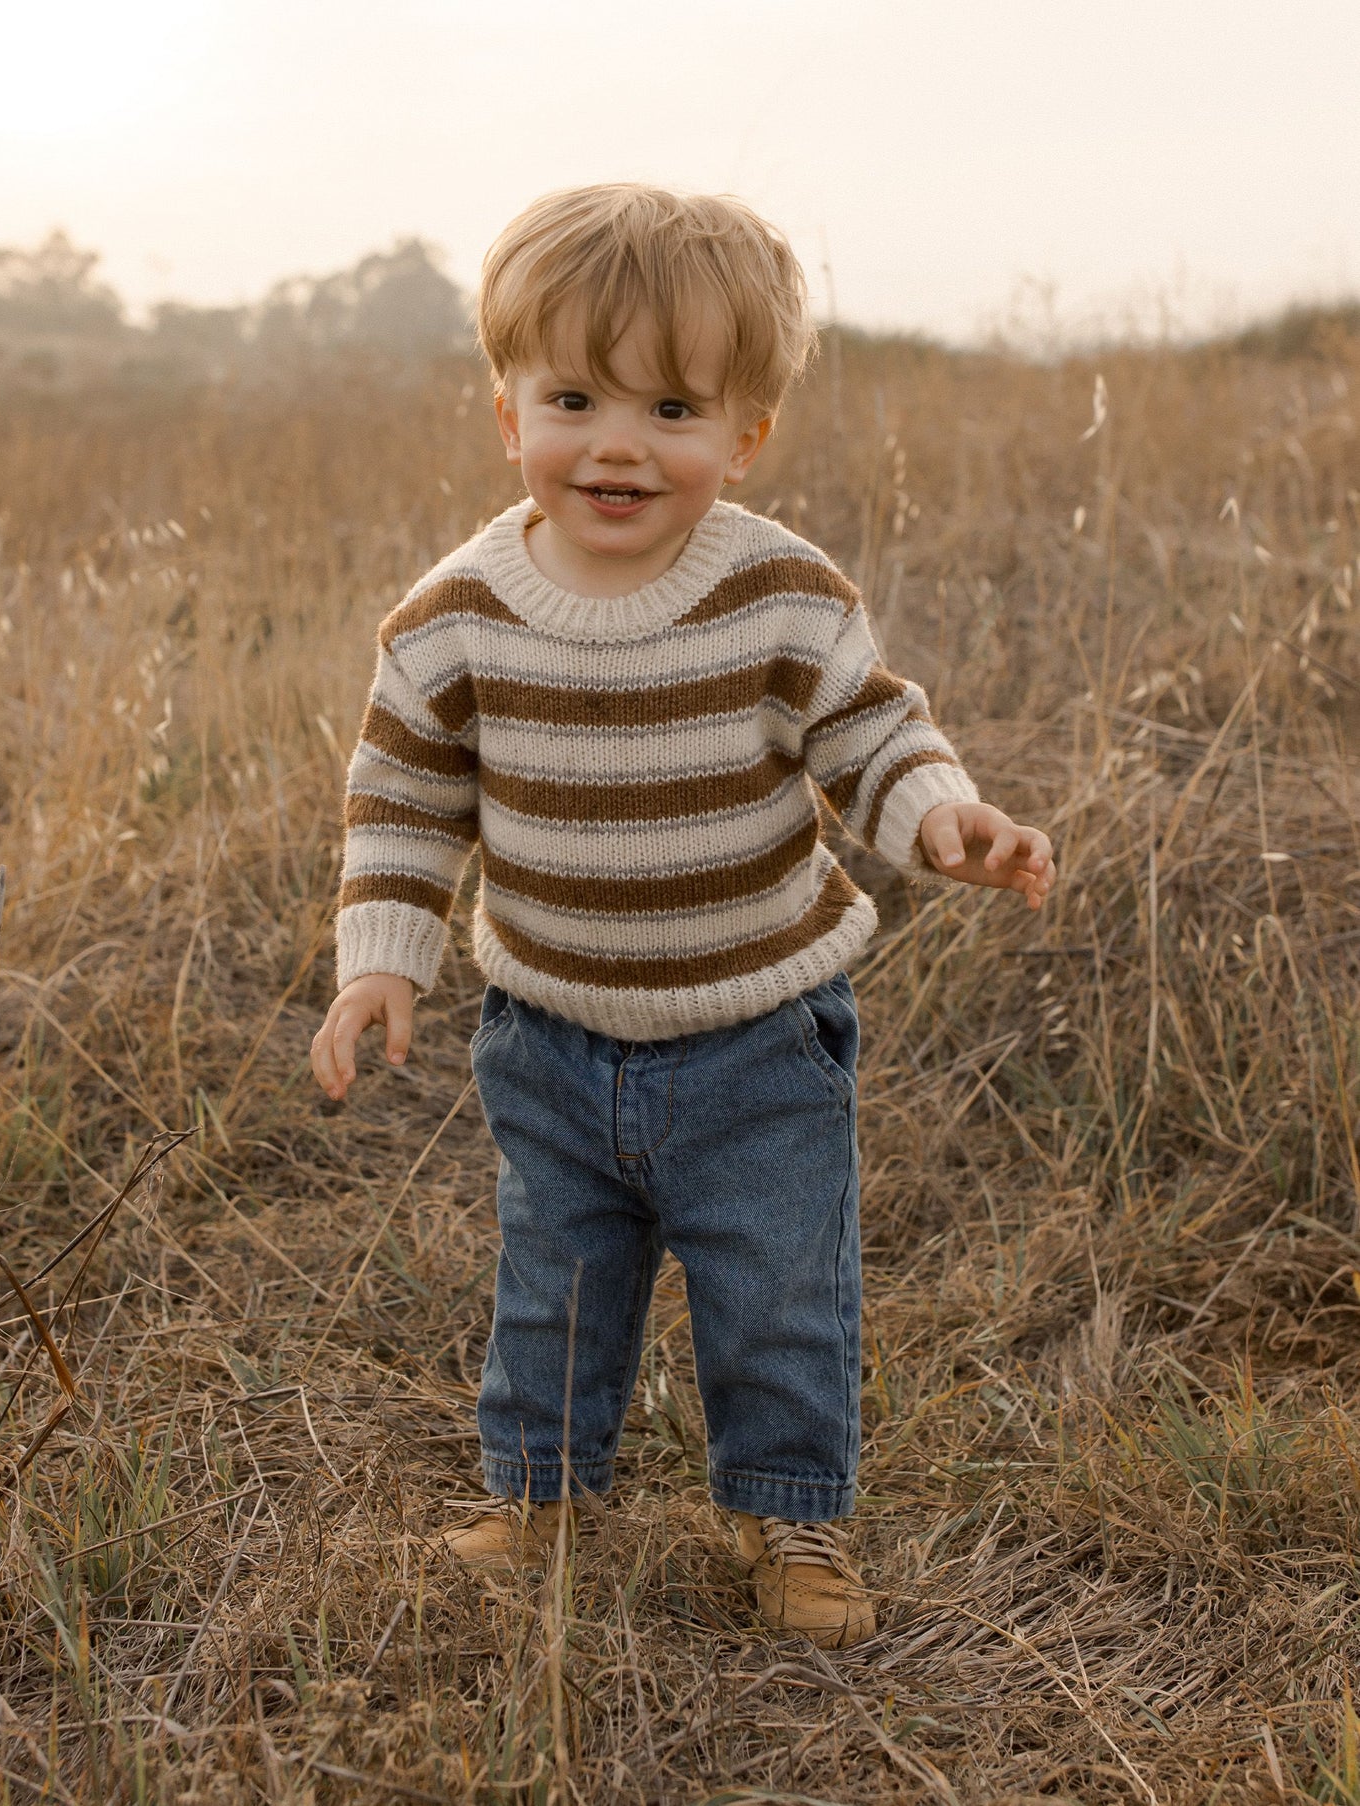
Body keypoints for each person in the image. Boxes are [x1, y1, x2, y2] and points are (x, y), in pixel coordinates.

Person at [310, 184, 1055, 1648]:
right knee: (554, 1284)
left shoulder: (778, 591)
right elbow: (401, 802)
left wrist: (937, 815)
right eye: (572, 395)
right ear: (505, 411)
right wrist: (379, 962)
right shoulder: (454, 615)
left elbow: (870, 732)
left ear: (743, 433)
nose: (616, 443)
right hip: (548, 1035)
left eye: (670, 405)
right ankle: (541, 1497)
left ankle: (790, 1517)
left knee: (776, 1290)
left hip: (759, 1035)